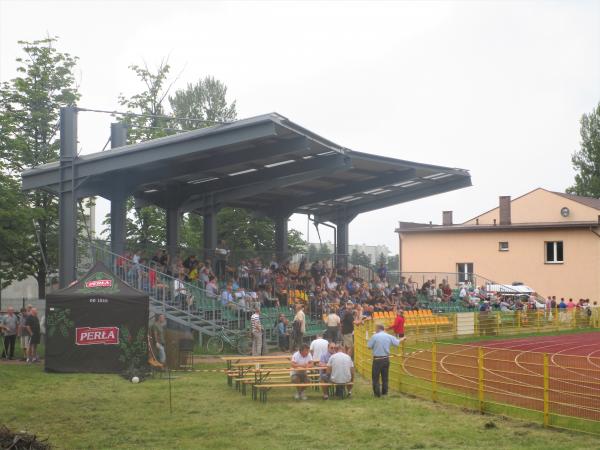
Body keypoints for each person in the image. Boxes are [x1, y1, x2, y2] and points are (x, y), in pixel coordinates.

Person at [367, 323, 400, 397]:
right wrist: (403, 339)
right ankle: (384, 392)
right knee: (385, 377)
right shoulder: (389, 336)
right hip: (386, 359)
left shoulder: (374, 336)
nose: (375, 330)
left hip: (377, 359)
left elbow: (369, 346)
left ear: (378, 329)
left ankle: (377, 393)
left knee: (375, 377)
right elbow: (397, 343)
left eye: (376, 328)